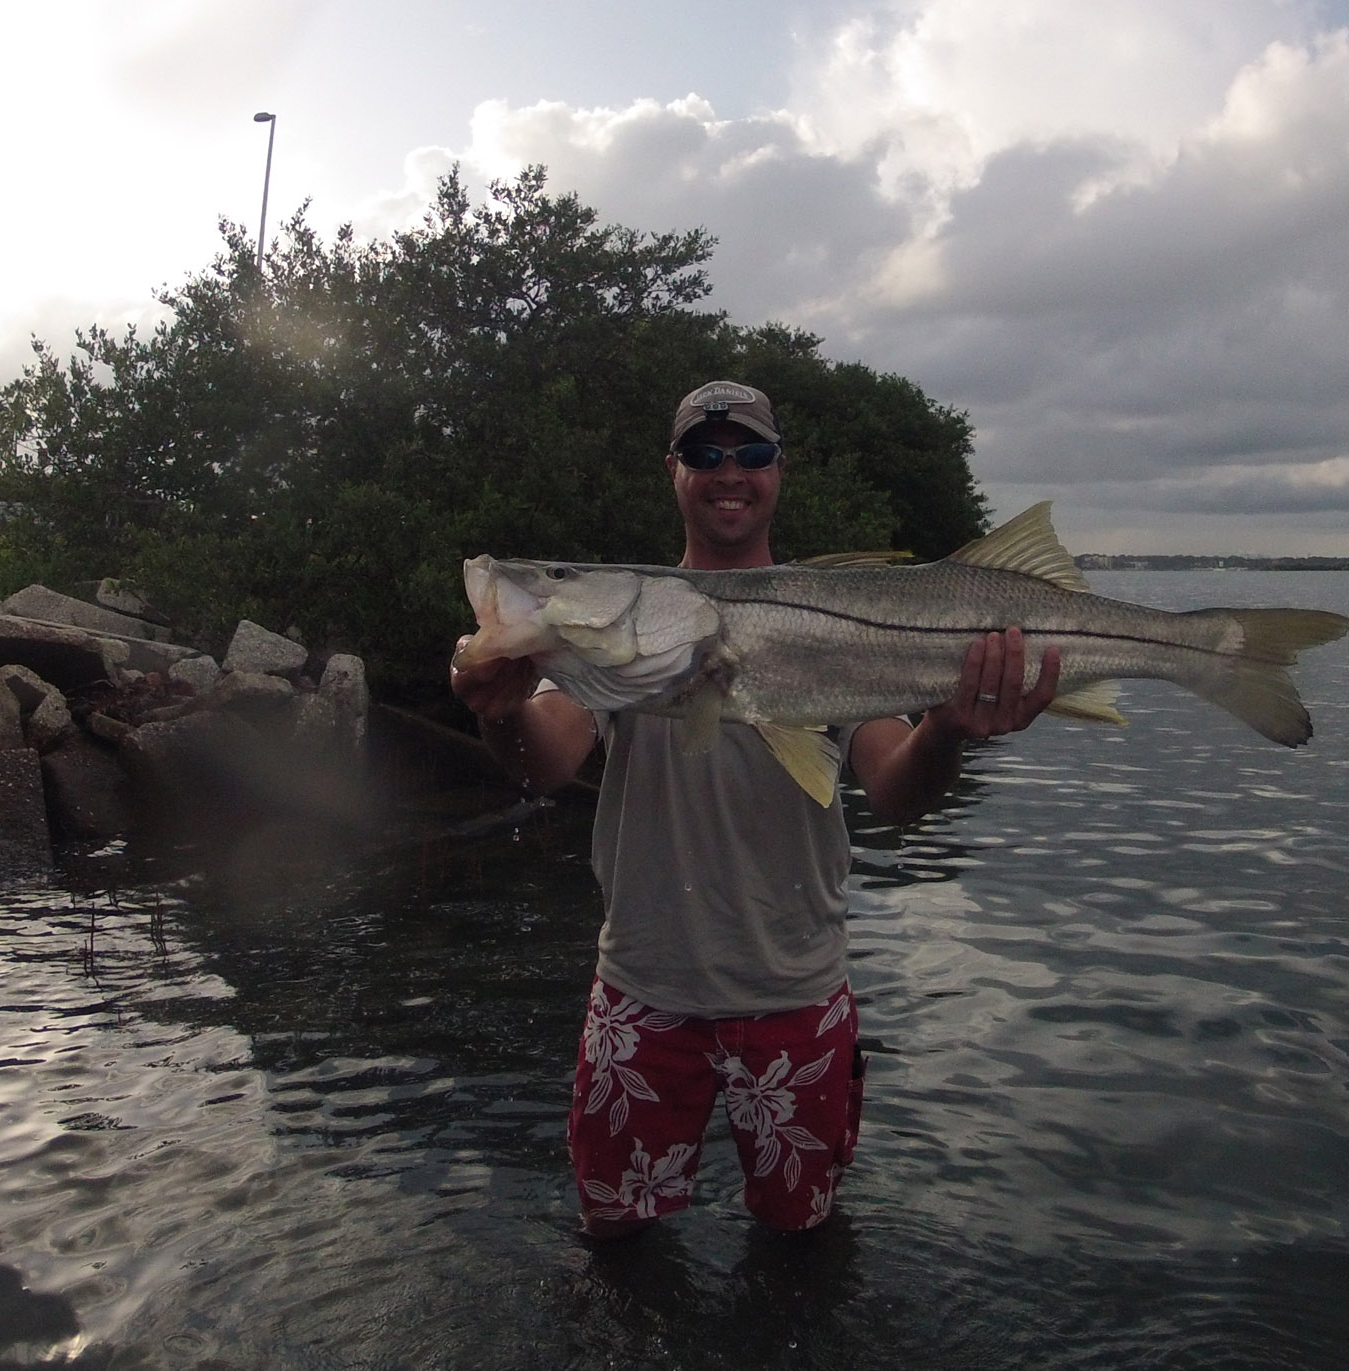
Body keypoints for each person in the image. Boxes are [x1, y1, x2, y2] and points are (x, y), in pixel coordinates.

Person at [450, 380, 1059, 1237]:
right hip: (643, 988)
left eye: (751, 452)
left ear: (779, 470)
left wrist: (953, 731)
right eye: (704, 453)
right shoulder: (622, 633)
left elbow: (893, 790)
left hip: (796, 990)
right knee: (616, 1244)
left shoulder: (836, 612)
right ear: (673, 471)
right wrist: (501, 709)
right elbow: (543, 763)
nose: (727, 471)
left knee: (800, 1241)